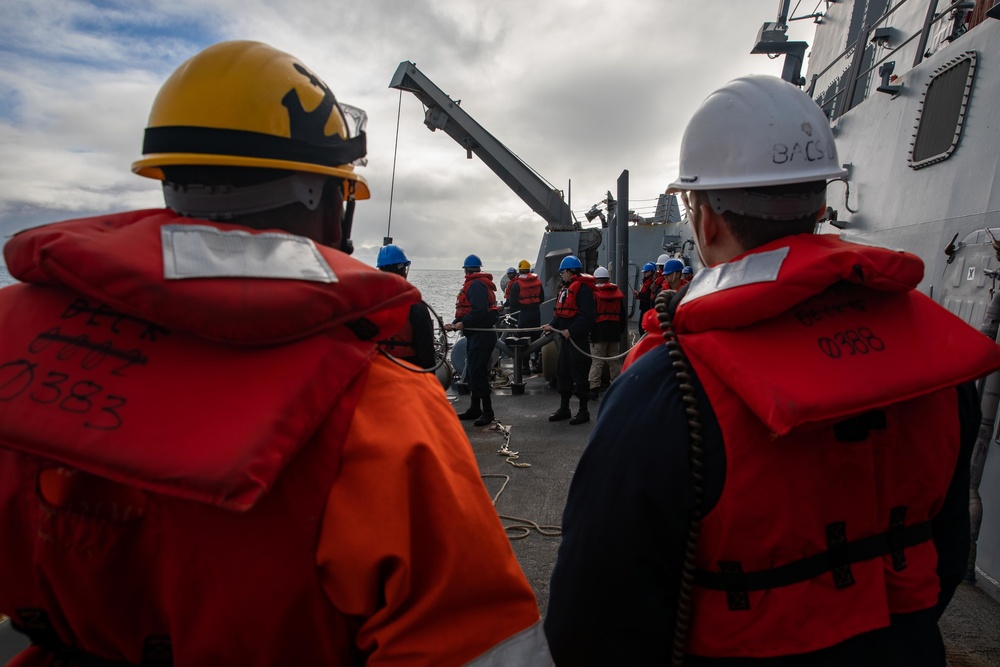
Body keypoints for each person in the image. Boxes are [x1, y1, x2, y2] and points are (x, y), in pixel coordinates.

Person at [0, 41, 550, 667]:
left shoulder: (9, 334)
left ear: (167, 181)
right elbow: (476, 647)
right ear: (326, 201)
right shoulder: (380, 409)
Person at [546, 74, 1000, 665]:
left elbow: (592, 624)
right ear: (819, 205)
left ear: (705, 220)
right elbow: (944, 551)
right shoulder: (936, 365)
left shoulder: (668, 389)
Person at [445, 254, 499, 427]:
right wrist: (454, 324)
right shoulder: (477, 284)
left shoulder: (475, 285)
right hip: (475, 334)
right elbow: (470, 313)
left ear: (466, 270)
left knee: (477, 372)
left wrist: (463, 323)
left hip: (482, 335)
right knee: (473, 372)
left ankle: (488, 412)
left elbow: (480, 311)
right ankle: (475, 408)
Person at [542, 256, 595, 425]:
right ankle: (564, 408)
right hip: (565, 340)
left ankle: (583, 410)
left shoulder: (583, 290)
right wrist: (551, 325)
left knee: (580, 375)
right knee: (563, 373)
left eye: (563, 272)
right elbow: (559, 313)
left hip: (577, 341)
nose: (561, 275)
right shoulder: (565, 289)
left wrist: (571, 331)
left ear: (570, 272)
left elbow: (588, 317)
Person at [376, 243, 436, 369]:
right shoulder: (416, 305)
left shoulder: (368, 303)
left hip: (377, 368)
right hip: (408, 369)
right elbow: (426, 348)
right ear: (404, 270)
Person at [587, 266, 626, 399]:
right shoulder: (617, 293)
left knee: (597, 362)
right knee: (614, 361)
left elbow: (591, 315)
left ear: (596, 279)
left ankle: (594, 388)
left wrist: (590, 333)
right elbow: (622, 315)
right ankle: (616, 385)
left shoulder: (594, 294)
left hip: (599, 332)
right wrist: (619, 331)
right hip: (614, 331)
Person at [506, 259, 545, 375]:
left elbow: (513, 303)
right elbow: (541, 299)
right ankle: (538, 364)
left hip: (523, 314)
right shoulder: (537, 282)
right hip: (536, 313)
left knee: (523, 340)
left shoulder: (517, 284)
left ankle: (525, 367)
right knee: (536, 339)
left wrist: (516, 316)